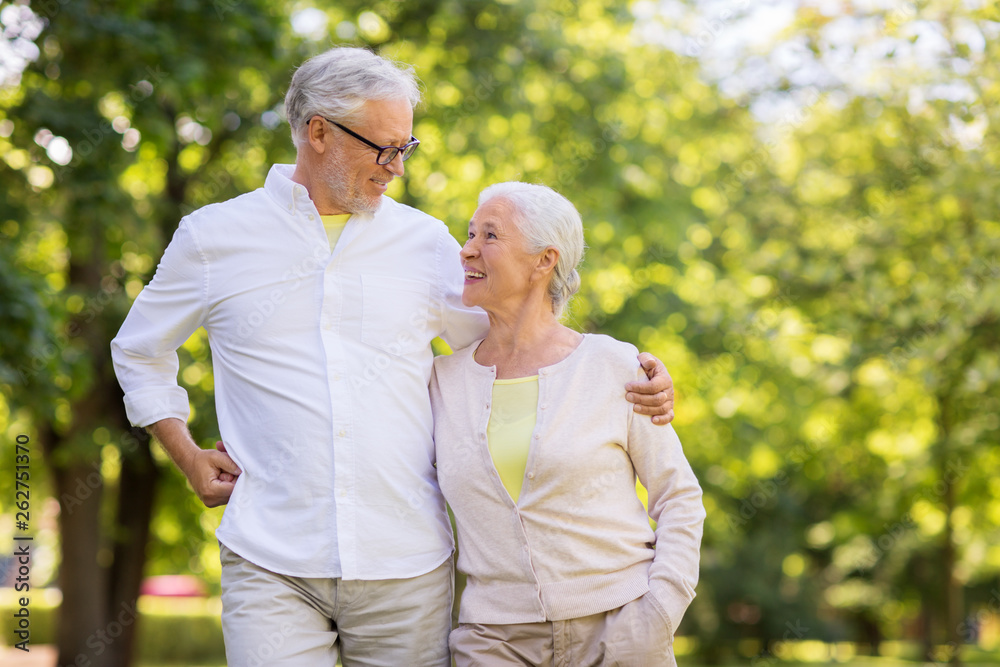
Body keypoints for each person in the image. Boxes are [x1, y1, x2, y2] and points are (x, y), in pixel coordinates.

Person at [111, 47, 675, 666]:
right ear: (319, 132)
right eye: (385, 148)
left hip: (406, 564)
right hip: (270, 557)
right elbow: (139, 351)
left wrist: (622, 370)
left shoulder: (425, 243)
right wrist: (186, 455)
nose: (396, 169)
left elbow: (511, 347)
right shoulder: (213, 237)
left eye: (406, 148)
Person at [431, 182, 705, 666]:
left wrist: (659, 612)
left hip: (620, 631)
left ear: (544, 260)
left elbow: (678, 496)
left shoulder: (612, 365)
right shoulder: (442, 382)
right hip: (493, 641)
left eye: (490, 236)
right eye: (470, 233)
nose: (467, 249)